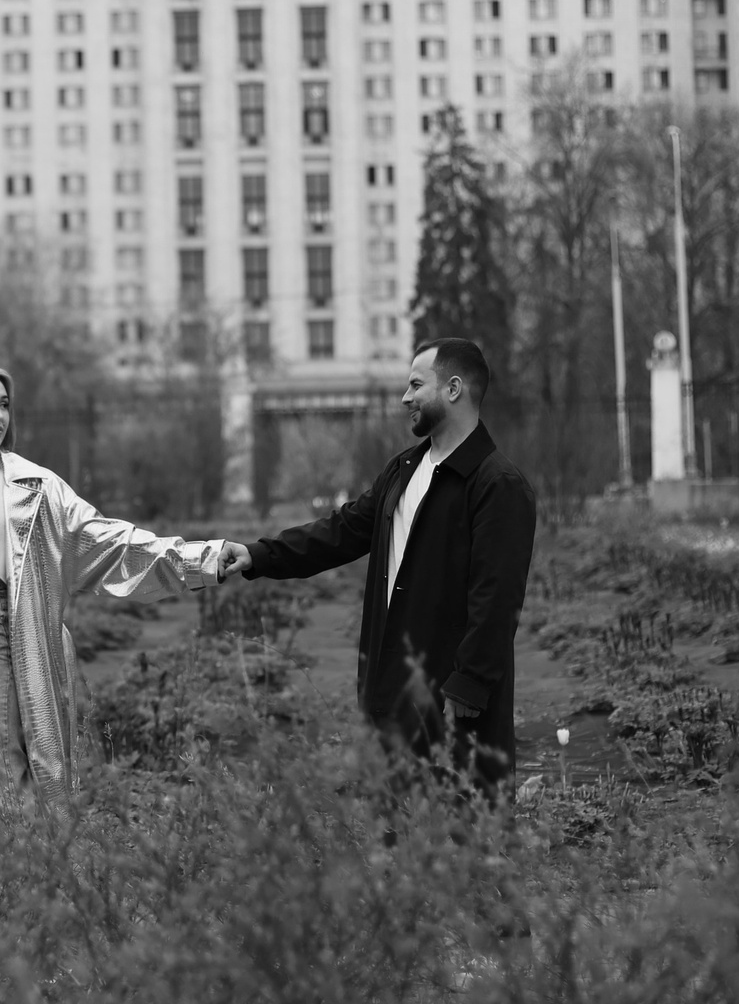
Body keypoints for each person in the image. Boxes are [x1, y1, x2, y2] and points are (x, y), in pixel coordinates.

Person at [0, 361, 238, 810]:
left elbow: (107, 540)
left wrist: (200, 559)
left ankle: (32, 876)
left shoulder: (31, 487)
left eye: (4, 404)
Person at [215, 338, 537, 789]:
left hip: (452, 702)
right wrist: (260, 554)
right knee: (395, 837)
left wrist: (468, 685)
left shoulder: (497, 485)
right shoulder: (405, 468)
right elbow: (343, 530)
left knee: (462, 840)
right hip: (389, 696)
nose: (405, 397)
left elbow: (497, 599)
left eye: (416, 384)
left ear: (454, 389)